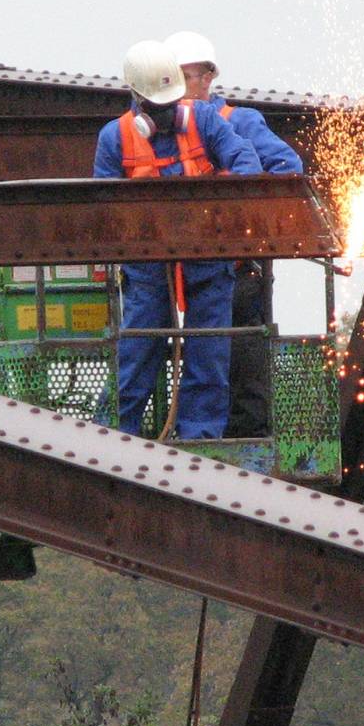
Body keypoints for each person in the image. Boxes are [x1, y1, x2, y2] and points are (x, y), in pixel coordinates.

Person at [94, 39, 261, 439]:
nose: (166, 116)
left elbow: (248, 165)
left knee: (209, 354)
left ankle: (199, 440)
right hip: (150, 269)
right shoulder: (115, 138)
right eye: (157, 107)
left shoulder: (203, 119)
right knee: (136, 353)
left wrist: (215, 212)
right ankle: (111, 437)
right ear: (136, 98)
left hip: (208, 261)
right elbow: (101, 212)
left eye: (170, 105)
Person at [165, 30, 304, 438]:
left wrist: (242, 215)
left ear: (208, 78)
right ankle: (191, 429)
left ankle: (243, 437)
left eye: (188, 77)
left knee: (241, 356)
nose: (181, 89)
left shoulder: (237, 122)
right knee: (190, 352)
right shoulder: (163, 130)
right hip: (180, 271)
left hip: (238, 269)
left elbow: (286, 167)